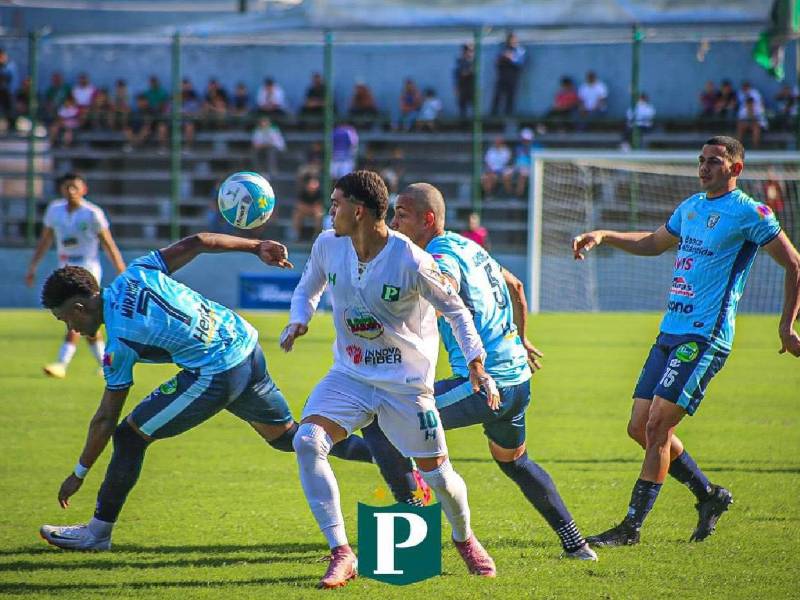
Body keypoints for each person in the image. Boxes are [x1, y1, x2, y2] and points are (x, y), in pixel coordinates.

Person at [37, 232, 376, 550]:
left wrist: (79, 473)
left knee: (128, 436)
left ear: (79, 307)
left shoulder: (119, 343)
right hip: (245, 344)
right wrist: (256, 245)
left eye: (65, 319)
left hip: (217, 371)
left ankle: (97, 533)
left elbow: (105, 419)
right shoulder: (137, 271)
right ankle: (392, 457)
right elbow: (197, 242)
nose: (71, 328)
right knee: (290, 437)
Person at [572, 136, 800, 547]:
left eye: (714, 161)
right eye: (701, 160)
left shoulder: (750, 213)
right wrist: (605, 235)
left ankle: (631, 528)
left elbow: (794, 262)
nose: (704, 167)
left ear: (735, 169)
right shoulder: (691, 207)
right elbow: (655, 243)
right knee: (639, 428)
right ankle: (709, 495)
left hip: (705, 334)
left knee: (658, 425)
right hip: (670, 330)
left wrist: (786, 325)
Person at [280, 170, 500, 588]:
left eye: (336, 203)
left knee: (438, 477)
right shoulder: (329, 245)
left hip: (406, 385)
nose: (330, 211)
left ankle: (464, 538)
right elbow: (307, 288)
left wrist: (475, 360)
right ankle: (342, 552)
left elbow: (456, 310)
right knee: (307, 442)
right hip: (350, 374)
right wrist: (299, 320)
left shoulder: (411, 259)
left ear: (358, 211)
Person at [361, 182, 597, 560]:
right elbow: (516, 286)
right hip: (518, 380)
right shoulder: (469, 245)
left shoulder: (439, 255)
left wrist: (427, 297)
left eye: (400, 214)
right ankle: (576, 544)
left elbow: (447, 283)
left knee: (378, 423)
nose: (392, 221)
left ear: (428, 219)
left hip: (484, 384)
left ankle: (413, 537)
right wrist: (521, 338)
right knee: (514, 461)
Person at [25, 173, 126, 379]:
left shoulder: (92, 213)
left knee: (75, 312)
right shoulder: (54, 211)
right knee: (88, 324)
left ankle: (62, 364)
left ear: (84, 190)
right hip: (65, 270)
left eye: (74, 187)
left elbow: (109, 245)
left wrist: (123, 272)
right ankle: (107, 364)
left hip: (88, 270)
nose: (70, 191)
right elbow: (45, 241)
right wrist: (33, 267)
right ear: (61, 190)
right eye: (66, 187)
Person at [491, 32, 526, 116]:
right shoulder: (503, 50)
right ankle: (493, 116)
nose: (512, 42)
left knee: (510, 97)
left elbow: (521, 63)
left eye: (513, 40)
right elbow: (496, 62)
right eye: (510, 41)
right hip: (502, 77)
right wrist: (503, 57)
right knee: (498, 96)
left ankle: (508, 115)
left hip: (513, 77)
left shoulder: (520, 51)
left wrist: (511, 58)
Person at [291, 166, 324, 242]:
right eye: (311, 183)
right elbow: (299, 205)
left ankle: (316, 236)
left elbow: (318, 206)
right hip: (304, 211)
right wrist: (307, 209)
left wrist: (311, 209)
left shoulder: (319, 193)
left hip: (314, 212)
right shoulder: (302, 192)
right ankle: (296, 235)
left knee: (319, 214)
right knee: (297, 214)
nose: (313, 185)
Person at [453, 44, 475, 119]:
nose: (470, 53)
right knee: (462, 107)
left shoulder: (474, 62)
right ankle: (463, 125)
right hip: (463, 87)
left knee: (474, 107)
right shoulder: (460, 61)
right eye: (468, 51)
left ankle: (474, 124)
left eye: (471, 51)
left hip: (472, 88)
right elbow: (459, 74)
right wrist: (456, 88)